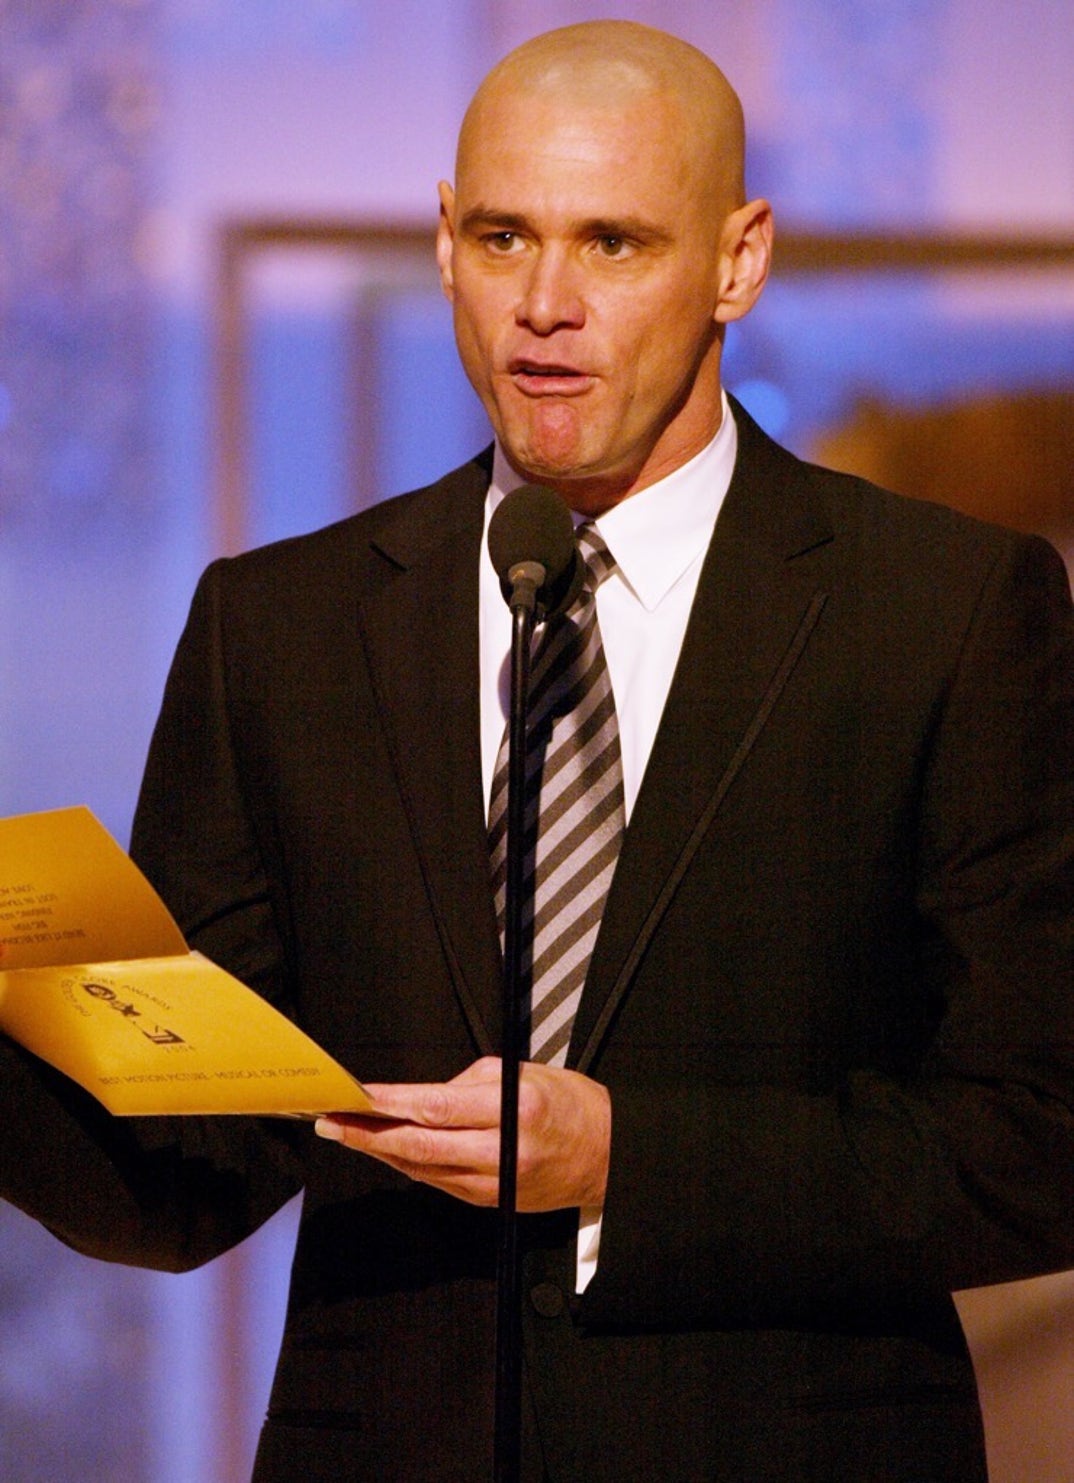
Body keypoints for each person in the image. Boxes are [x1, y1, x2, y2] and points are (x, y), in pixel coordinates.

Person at [4, 19, 1074, 1481]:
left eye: (615, 245)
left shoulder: (942, 614)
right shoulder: (283, 625)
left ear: (736, 259)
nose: (545, 305)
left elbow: (1036, 1138)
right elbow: (186, 1175)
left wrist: (626, 1165)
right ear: (443, 243)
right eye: (503, 237)